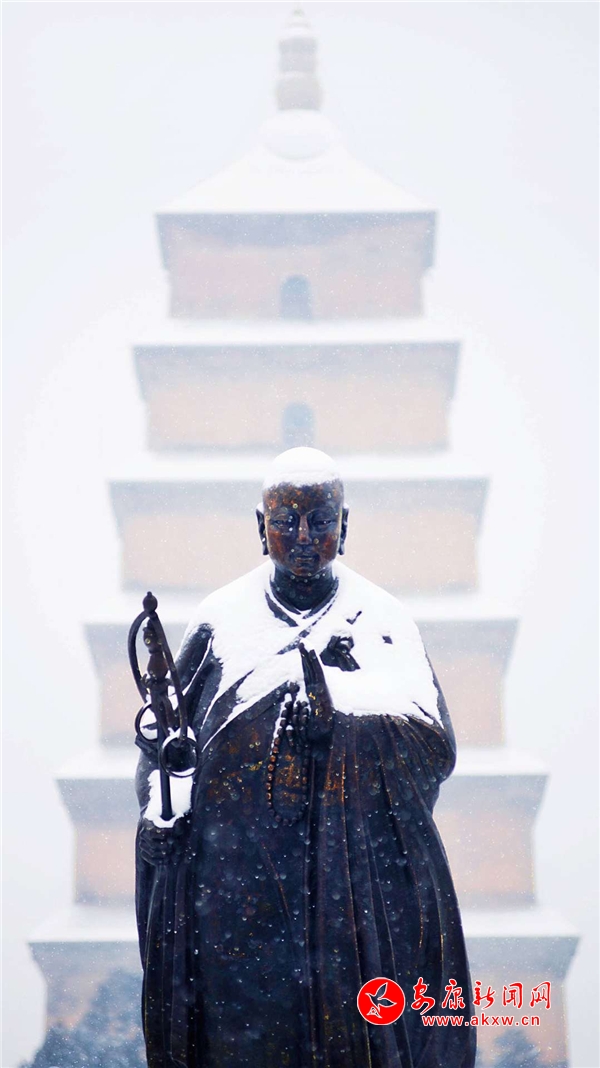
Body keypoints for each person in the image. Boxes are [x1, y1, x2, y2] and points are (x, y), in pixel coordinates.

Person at [134, 447, 476, 1068]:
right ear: (259, 526)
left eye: (319, 521)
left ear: (345, 525)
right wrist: (159, 815)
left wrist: (341, 724)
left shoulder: (380, 619)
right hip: (236, 896)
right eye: (285, 521)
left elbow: (432, 745)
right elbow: (165, 750)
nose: (302, 538)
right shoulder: (221, 623)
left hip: (349, 891)